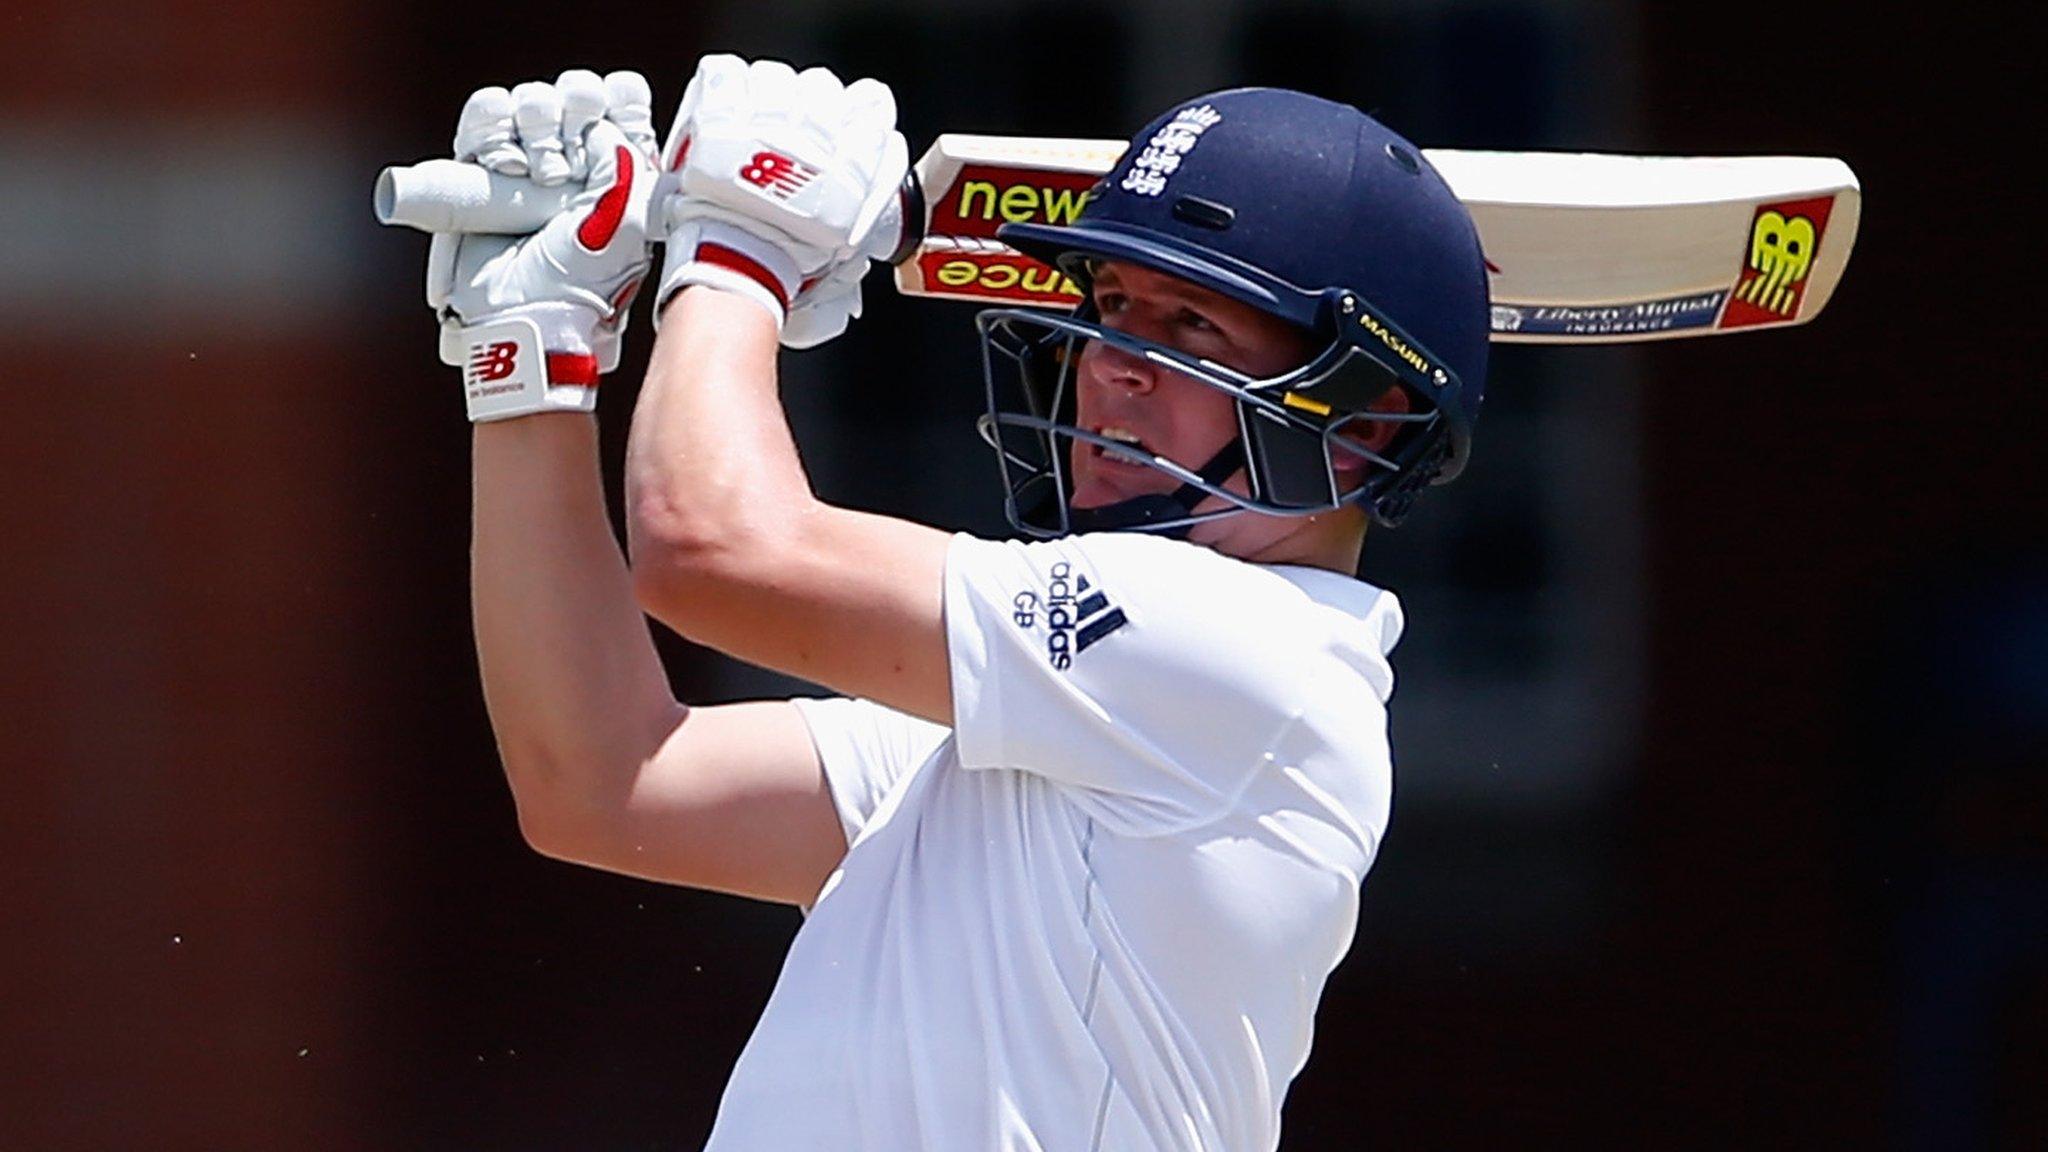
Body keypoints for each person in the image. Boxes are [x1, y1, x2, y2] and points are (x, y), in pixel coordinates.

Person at [428, 54, 1488, 1152]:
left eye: (1191, 328)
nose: (1112, 362)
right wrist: (532, 363)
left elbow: (712, 550)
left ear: (1363, 423)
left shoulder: (1253, 654)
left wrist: (738, 253)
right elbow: (598, 784)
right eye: (1113, 306)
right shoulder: (1062, 737)